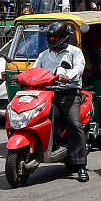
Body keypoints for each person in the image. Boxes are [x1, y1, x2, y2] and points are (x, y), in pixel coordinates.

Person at [32, 21, 89, 182]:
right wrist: (20, 76)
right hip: (47, 94)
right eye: (50, 36)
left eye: (56, 36)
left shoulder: (74, 52)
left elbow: (78, 68)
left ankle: (81, 165)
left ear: (64, 37)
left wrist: (68, 76)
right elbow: (34, 69)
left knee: (73, 123)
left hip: (69, 93)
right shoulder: (44, 55)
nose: (53, 39)